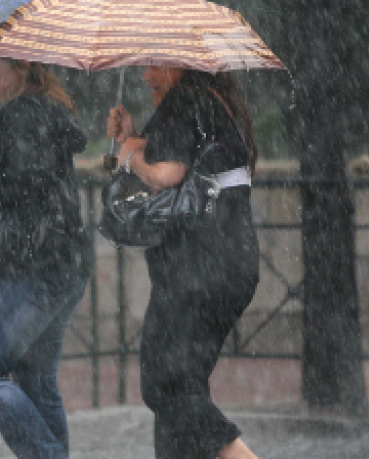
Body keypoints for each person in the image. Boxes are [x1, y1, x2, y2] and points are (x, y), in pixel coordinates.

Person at [0, 31, 91, 459]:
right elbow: (31, 179)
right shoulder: (41, 112)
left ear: (22, 67)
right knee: (35, 380)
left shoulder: (21, 116)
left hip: (31, 265)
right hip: (64, 262)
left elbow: (21, 191)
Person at [106, 66, 261, 459]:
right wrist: (133, 137)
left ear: (178, 60)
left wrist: (129, 157)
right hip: (229, 263)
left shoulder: (187, 100)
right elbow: (182, 155)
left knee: (165, 385)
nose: (144, 76)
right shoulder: (212, 102)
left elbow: (167, 173)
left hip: (196, 269)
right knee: (183, 390)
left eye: (153, 63)